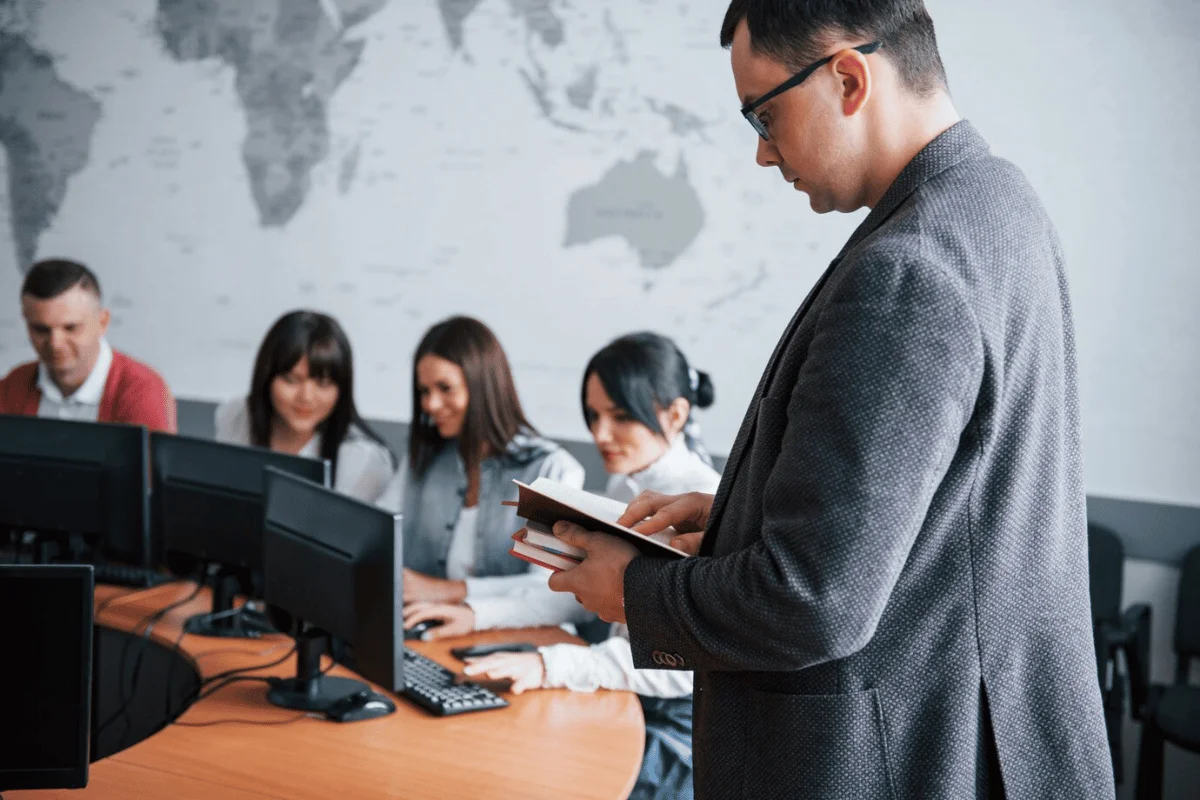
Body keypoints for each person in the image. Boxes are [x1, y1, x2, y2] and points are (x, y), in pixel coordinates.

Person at [546, 2, 1114, 798]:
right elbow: (955, 512)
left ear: (848, 77)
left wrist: (635, 594)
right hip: (993, 730)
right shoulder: (998, 203)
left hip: (898, 755)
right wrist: (745, 511)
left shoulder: (907, 269)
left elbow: (814, 604)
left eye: (764, 113)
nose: (761, 152)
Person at [456, 332, 720, 800]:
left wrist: (551, 665)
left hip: (671, 725)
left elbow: (680, 666)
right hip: (619, 689)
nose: (599, 434)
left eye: (620, 416)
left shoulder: (701, 504)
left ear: (675, 415)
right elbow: (574, 590)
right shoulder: (627, 482)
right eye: (594, 415)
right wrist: (475, 615)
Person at [379, 316, 584, 618]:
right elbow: (375, 535)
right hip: (427, 633)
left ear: (482, 386)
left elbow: (554, 588)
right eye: (424, 391)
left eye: (445, 388)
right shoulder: (423, 458)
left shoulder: (552, 469)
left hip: (517, 647)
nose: (431, 404)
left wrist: (452, 591)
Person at [214, 310, 395, 504]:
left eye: (323, 384)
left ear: (341, 388)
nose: (306, 397)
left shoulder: (363, 459)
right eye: (291, 380)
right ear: (267, 378)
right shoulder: (236, 415)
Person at [0, 258, 176, 431]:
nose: (55, 344)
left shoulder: (143, 391)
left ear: (103, 322)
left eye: (71, 328)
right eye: (41, 329)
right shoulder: (13, 385)